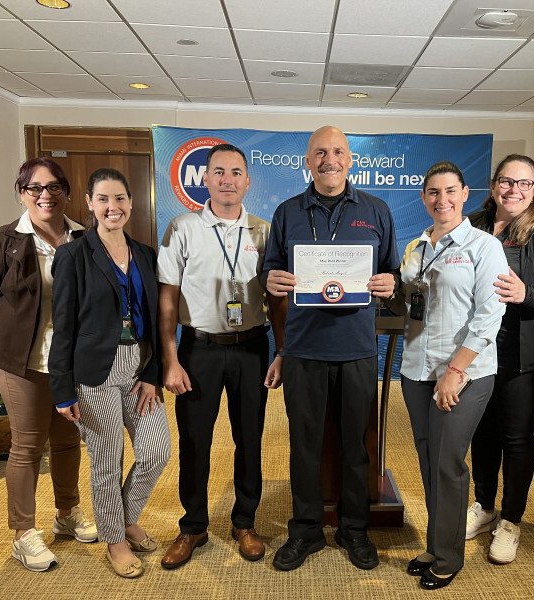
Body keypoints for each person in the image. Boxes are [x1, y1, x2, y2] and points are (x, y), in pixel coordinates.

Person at [264, 126, 400, 572]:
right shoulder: (286, 213)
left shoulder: (376, 210)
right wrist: (273, 279)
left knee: (355, 446)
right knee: (304, 445)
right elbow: (270, 273)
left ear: (350, 160)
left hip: (358, 349)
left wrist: (388, 283)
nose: (329, 159)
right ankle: (305, 530)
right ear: (307, 160)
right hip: (303, 349)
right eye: (320, 152)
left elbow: (391, 274)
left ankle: (353, 529)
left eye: (338, 151)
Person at [0, 157, 97, 572]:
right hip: (22, 362)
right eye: (35, 188)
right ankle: (23, 533)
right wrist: (10, 349)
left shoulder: (85, 237)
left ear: (67, 192)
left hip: (70, 363)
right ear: (22, 193)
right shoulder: (2, 239)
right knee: (26, 446)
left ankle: (66, 513)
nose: (45, 195)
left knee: (66, 439)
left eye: (54, 187)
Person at [157, 144, 281, 569]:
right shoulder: (182, 227)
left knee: (250, 439)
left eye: (236, 172)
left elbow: (278, 299)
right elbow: (167, 301)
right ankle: (193, 526)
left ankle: (244, 522)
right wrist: (170, 360)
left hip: (250, 349)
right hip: (198, 350)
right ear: (205, 179)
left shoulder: (264, 231)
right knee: (195, 441)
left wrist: (280, 350)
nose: (228, 179)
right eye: (219, 172)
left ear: (248, 182)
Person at [389, 161, 507, 590]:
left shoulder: (482, 245)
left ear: (465, 194)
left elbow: (489, 315)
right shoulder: (416, 246)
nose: (442, 200)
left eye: (450, 191)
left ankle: (450, 554)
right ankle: (437, 543)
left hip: (464, 373)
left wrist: (456, 370)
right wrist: (388, 291)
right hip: (417, 369)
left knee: (448, 461)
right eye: (433, 193)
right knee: (427, 458)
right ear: (423, 198)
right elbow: (410, 304)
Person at [50, 168, 170, 579]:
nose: (112, 207)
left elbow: (154, 322)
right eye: (103, 199)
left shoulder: (146, 253)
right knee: (106, 460)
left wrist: (153, 372)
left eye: (119, 198)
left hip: (139, 367)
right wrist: (62, 391)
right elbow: (62, 326)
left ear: (131, 203)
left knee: (156, 451)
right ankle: (116, 539)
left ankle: (124, 516)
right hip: (94, 372)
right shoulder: (72, 256)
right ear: (89, 203)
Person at [467, 154, 534, 564]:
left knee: (516, 437)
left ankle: (511, 521)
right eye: (507, 182)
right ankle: (485, 505)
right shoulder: (471, 224)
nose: (515, 191)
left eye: (524, 184)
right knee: (482, 433)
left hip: (520, 352)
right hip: (476, 349)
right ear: (494, 185)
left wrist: (527, 294)